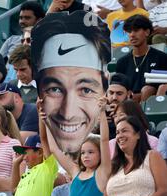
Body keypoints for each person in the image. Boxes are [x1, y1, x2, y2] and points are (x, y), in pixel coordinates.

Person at [31, 10, 111, 154]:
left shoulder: (113, 148)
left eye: (86, 90)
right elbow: (50, 146)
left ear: (105, 89)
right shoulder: (48, 147)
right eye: (54, 89)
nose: (68, 114)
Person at [42, 95, 111, 196]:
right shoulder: (75, 172)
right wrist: (46, 122)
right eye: (83, 153)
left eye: (91, 152)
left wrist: (101, 112)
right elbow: (54, 148)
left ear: (101, 155)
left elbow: (105, 140)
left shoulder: (101, 174)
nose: (86, 156)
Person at [102, 116, 167, 196]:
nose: (120, 136)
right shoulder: (114, 165)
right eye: (117, 132)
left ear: (138, 134)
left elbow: (164, 190)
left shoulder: (152, 156)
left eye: (124, 131)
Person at [9, 110, 59, 196]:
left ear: (40, 152)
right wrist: (15, 165)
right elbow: (13, 190)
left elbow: (44, 138)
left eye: (26, 152)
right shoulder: (26, 174)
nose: (24, 157)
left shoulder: (47, 168)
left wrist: (41, 117)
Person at [116, 15, 167, 103]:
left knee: (147, 90)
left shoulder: (161, 58)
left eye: (136, 30)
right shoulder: (122, 62)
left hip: (152, 105)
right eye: (129, 31)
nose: (132, 35)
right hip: (129, 106)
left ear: (147, 32)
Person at [105, 73, 133, 138]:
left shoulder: (134, 111)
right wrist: (96, 126)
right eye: (111, 93)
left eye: (119, 93)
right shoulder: (99, 111)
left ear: (128, 94)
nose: (114, 97)